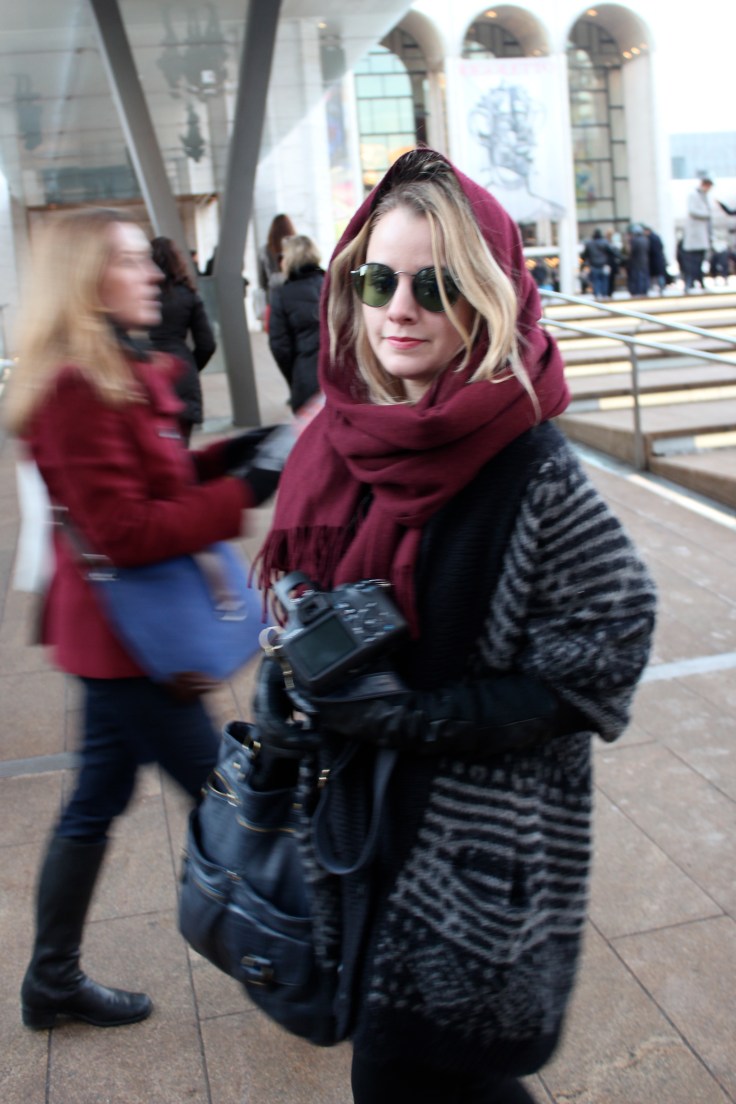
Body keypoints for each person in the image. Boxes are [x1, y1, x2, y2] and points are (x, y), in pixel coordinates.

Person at [252, 149, 657, 1103]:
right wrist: (302, 673)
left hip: (471, 855)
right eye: (377, 278)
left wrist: (412, 716)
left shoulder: (528, 460)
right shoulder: (343, 432)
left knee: (407, 1076)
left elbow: (604, 652)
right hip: (365, 823)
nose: (399, 308)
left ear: (487, 297)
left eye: (434, 287)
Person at [3, 208, 290, 1032]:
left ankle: (51, 979)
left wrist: (238, 453)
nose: (155, 275)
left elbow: (153, 473)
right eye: (132, 261)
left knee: (96, 799)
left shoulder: (111, 369)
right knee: (228, 800)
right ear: (89, 280)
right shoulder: (74, 386)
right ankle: (301, 957)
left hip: (115, 639)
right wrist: (245, 491)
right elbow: (124, 532)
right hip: (128, 642)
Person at [149, 236, 216, 444]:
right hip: (182, 373)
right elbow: (207, 344)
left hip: (149, 374)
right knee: (181, 450)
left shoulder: (141, 296)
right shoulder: (188, 295)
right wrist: (190, 367)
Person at [267, 234, 325, 412]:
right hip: (343, 375)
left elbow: (279, 346)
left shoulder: (283, 294)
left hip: (307, 378)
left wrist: (295, 376)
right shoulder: (332, 283)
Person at [257, 213, 296, 310]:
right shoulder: (296, 247)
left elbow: (262, 282)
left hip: (274, 298)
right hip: (295, 293)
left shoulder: (264, 251)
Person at [682, 174, 714, 291]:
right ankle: (690, 282)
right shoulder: (694, 195)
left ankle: (699, 281)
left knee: (700, 260)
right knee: (692, 261)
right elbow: (693, 210)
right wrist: (707, 214)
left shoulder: (704, 196)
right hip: (695, 235)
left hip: (701, 235)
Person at [581, 228, 614, 299]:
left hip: (594, 265)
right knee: (604, 281)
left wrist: (585, 262)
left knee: (595, 281)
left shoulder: (589, 244)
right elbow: (611, 252)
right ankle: (604, 295)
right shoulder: (605, 243)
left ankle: (596, 295)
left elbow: (584, 255)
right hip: (603, 265)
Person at [625, 223, 650, 297]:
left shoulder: (634, 241)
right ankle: (643, 291)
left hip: (636, 262)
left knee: (637, 277)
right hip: (644, 261)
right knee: (643, 277)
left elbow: (630, 252)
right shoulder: (645, 240)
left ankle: (638, 291)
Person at [644, 226, 668, 294]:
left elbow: (651, 250)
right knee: (659, 274)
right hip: (658, 259)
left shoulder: (651, 238)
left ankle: (656, 288)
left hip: (654, 260)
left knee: (657, 275)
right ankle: (661, 287)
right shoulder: (656, 237)